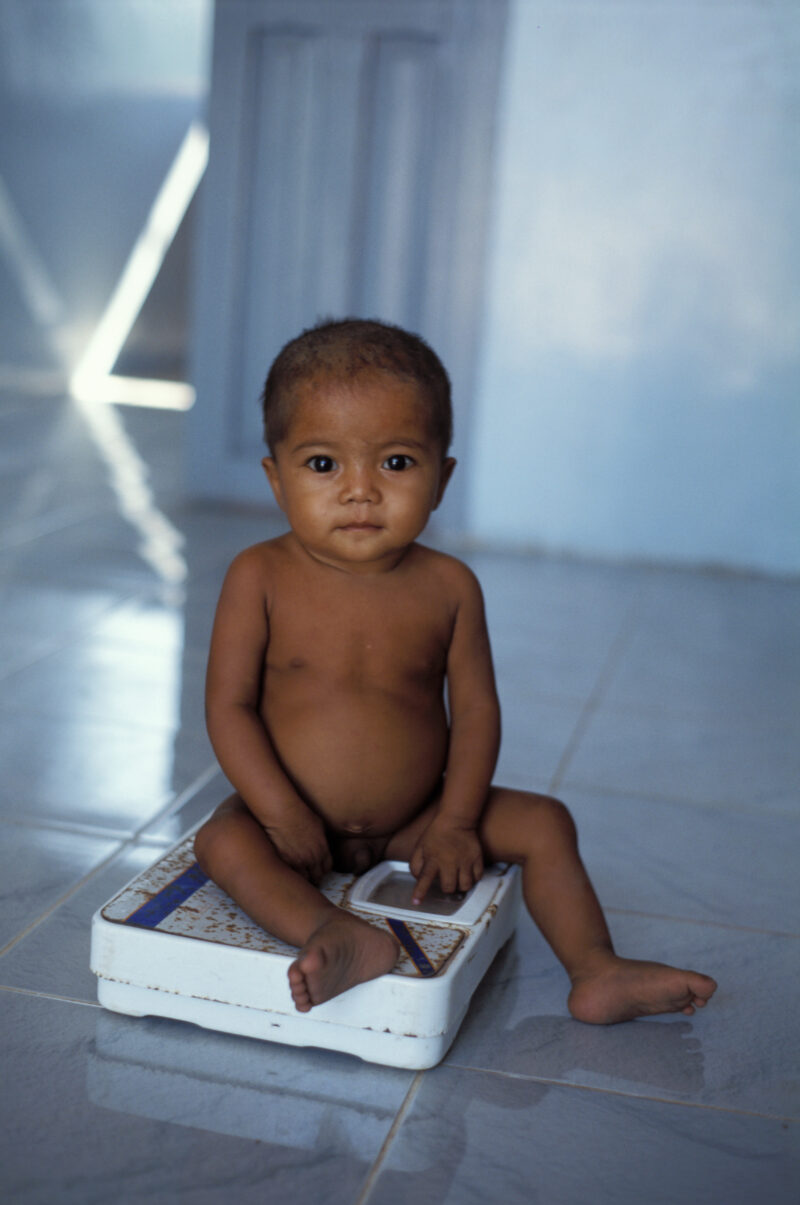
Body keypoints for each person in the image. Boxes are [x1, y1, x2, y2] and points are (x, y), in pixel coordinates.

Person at [195, 317, 717, 1023]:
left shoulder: (449, 588)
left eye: (396, 463)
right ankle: (331, 931)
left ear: (441, 478)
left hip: (415, 818)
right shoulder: (258, 575)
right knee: (222, 841)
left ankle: (597, 969)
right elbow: (228, 706)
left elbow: (474, 712)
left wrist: (456, 821)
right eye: (323, 465)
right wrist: (281, 814)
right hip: (292, 825)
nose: (360, 491)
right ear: (276, 479)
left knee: (545, 823)